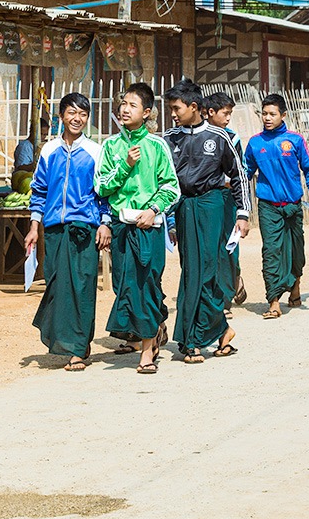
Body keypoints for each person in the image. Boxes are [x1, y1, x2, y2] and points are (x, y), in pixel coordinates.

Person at [95, 83, 180, 375]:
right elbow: (101, 187)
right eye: (123, 104)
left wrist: (153, 209)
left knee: (145, 285)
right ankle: (154, 327)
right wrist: (125, 165)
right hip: (120, 227)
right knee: (123, 285)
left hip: (149, 227)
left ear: (146, 113)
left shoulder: (157, 146)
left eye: (132, 105)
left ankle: (146, 353)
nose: (125, 109)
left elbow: (171, 187)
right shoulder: (110, 146)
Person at [163, 79, 250, 364]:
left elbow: (238, 175)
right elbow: (166, 182)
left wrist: (242, 214)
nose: (173, 114)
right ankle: (221, 331)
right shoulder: (169, 139)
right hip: (184, 208)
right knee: (191, 271)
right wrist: (171, 220)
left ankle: (195, 340)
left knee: (209, 271)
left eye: (176, 108)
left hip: (212, 206)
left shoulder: (220, 137)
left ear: (194, 107)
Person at [23, 93, 112, 371]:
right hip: (53, 230)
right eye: (72, 113)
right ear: (61, 116)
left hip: (83, 229)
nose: (77, 119)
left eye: (83, 114)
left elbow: (105, 193)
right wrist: (34, 227)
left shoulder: (96, 152)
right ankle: (65, 340)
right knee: (57, 285)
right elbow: (39, 191)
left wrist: (105, 222)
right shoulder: (49, 151)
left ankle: (78, 348)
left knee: (82, 287)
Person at [243, 94, 309, 319]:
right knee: (271, 252)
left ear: (283, 115)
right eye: (264, 114)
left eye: (272, 114)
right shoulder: (255, 143)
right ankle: (274, 300)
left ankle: (295, 285)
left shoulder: (295, 140)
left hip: (294, 206)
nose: (267, 118)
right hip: (268, 206)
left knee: (297, 252)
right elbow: (245, 173)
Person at [204, 91, 248, 310]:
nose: (228, 118)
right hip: (206, 199)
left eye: (230, 113)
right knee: (209, 246)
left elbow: (242, 171)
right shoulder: (198, 136)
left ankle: (226, 294)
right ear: (210, 112)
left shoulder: (233, 138)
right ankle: (216, 291)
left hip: (227, 198)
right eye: (225, 113)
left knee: (229, 245)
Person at [13, 116, 50, 188]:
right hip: (23, 183)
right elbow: (21, 167)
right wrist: (37, 165)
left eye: (45, 135)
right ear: (32, 131)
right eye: (40, 134)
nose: (42, 137)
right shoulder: (25, 146)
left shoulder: (43, 146)